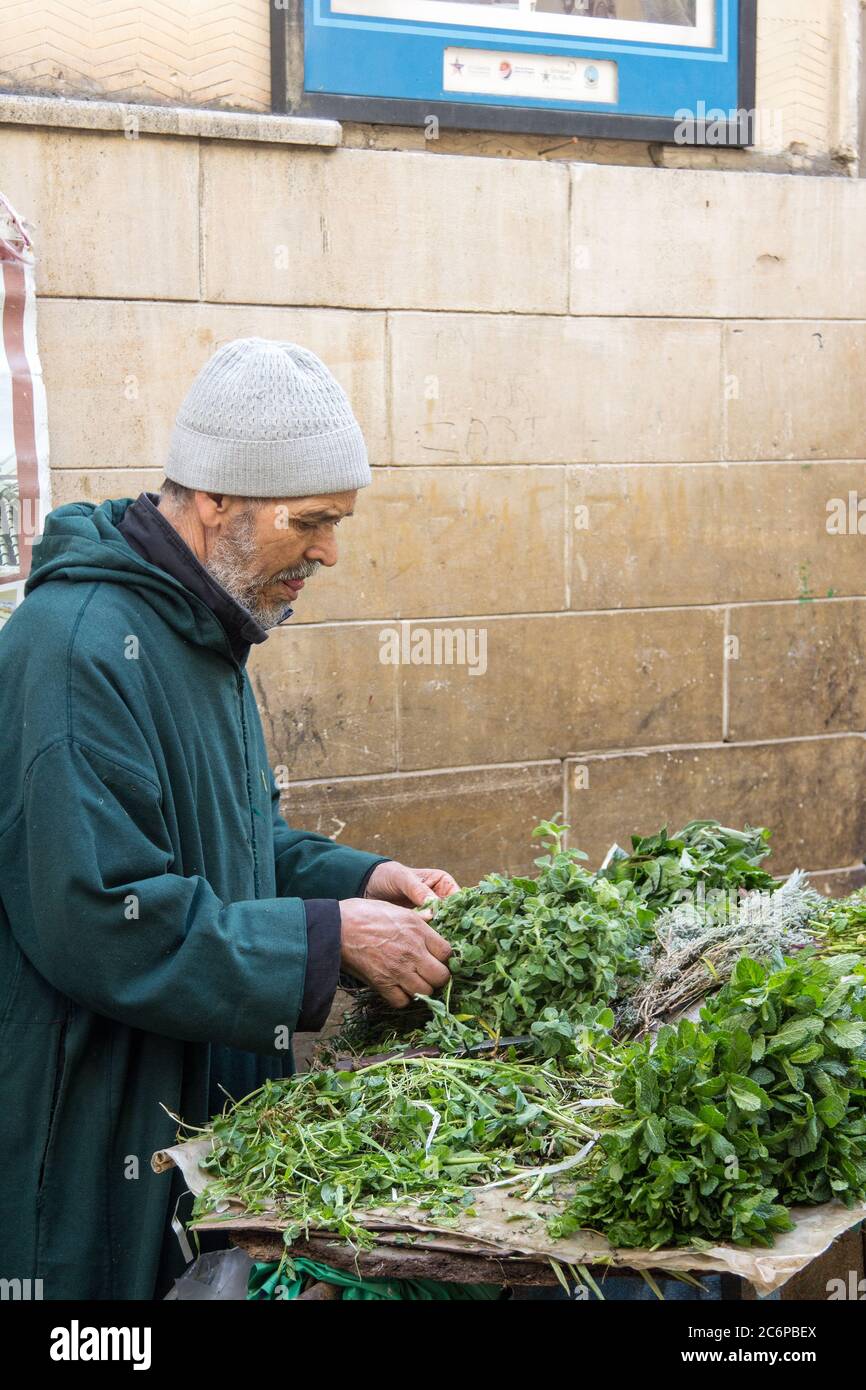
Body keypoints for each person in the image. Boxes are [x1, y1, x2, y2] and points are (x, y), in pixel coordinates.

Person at [0, 338, 459, 1299]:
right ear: (217, 501)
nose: (331, 550)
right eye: (314, 521)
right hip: (97, 1131)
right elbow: (101, 914)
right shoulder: (79, 648)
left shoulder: (204, 629)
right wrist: (329, 941)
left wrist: (360, 884)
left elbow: (234, 845)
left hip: (200, 1106)